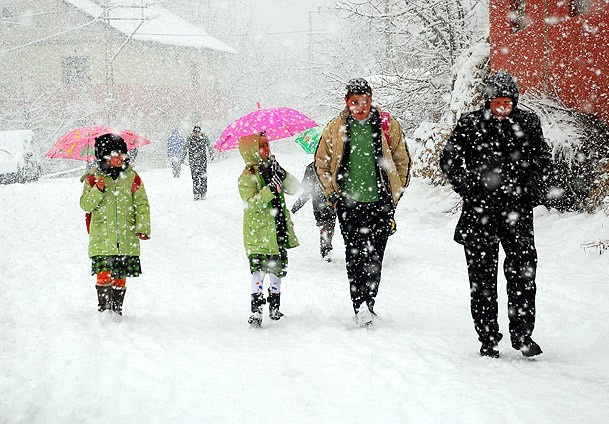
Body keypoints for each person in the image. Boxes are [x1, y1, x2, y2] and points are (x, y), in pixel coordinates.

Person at [440, 70, 551, 358]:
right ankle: (488, 337)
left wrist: (531, 188)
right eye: (497, 101)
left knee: (523, 277)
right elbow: (449, 159)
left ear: (515, 100)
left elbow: (543, 159)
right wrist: (469, 189)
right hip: (479, 215)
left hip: (518, 214)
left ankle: (523, 336)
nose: (503, 107)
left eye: (508, 101)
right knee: (482, 281)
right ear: (487, 100)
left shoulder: (528, 123)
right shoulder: (470, 124)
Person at [315, 78, 411, 327]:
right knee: (354, 255)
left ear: (371, 99)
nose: (360, 107)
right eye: (355, 102)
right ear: (347, 102)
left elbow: (401, 158)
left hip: (380, 202)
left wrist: (394, 194)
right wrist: (333, 194)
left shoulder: (385, 125)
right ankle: (359, 304)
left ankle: (370, 301)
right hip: (348, 204)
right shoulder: (335, 128)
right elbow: (322, 163)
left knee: (376, 255)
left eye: (365, 101)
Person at [80, 133, 151, 316]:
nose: (119, 158)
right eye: (114, 154)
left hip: (126, 236)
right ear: (103, 156)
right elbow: (85, 205)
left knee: (120, 275)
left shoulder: (131, 177)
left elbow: (141, 203)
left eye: (122, 154)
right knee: (104, 273)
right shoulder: (93, 178)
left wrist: (142, 227)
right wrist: (98, 189)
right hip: (103, 237)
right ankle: (104, 310)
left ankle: (117, 309)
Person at [238, 132, 300, 327]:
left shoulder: (273, 169)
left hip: (278, 227)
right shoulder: (246, 178)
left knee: (277, 270)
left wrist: (281, 173)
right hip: (260, 233)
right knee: (259, 271)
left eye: (267, 145)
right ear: (251, 151)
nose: (267, 149)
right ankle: (256, 310)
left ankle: (275, 307)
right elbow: (250, 204)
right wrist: (269, 191)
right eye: (261, 146)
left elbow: (294, 188)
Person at [291, 161, 337, 261]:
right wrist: (296, 207)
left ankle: (326, 248)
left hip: (324, 204)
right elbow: (307, 191)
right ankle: (326, 249)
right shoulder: (331, 165)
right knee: (327, 226)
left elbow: (307, 191)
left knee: (327, 226)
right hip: (327, 204)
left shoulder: (312, 167)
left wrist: (296, 207)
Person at [184, 125, 213, 200]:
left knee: (203, 176)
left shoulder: (204, 137)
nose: (196, 134)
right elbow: (185, 147)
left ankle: (203, 192)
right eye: (195, 132)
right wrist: (183, 157)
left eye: (198, 132)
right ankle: (196, 193)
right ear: (193, 132)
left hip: (202, 160)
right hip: (193, 160)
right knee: (195, 177)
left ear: (200, 132)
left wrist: (211, 154)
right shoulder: (190, 138)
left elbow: (209, 146)